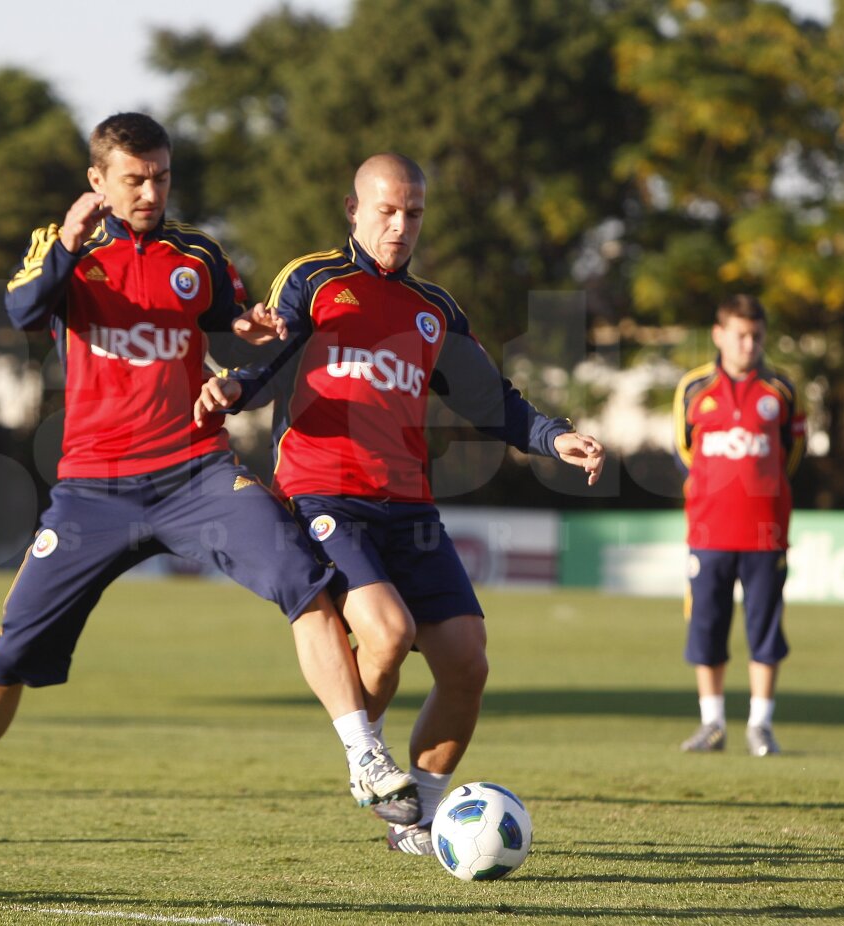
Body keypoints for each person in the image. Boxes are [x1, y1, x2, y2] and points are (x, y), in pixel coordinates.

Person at [0, 115, 418, 846]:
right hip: (93, 491)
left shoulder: (196, 252)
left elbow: (230, 316)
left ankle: (363, 755)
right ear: (97, 180)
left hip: (196, 473)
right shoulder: (65, 247)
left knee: (304, 579)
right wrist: (68, 242)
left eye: (160, 177)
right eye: (133, 179)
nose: (150, 191)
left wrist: (249, 326)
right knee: (10, 654)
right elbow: (22, 309)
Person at [194, 153, 606, 855]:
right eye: (386, 210)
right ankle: (364, 754)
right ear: (354, 210)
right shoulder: (314, 280)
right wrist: (236, 388)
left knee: (467, 662)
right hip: (323, 493)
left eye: (413, 213)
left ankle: (418, 823)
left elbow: (492, 400)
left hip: (409, 507)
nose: (400, 225)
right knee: (386, 634)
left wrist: (552, 436)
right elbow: (271, 354)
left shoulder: (434, 309)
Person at [673, 294, 805, 757]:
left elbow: (793, 452)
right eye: (740, 335)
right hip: (709, 531)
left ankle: (760, 724)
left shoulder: (781, 389)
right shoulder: (694, 387)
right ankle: (711, 723)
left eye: (756, 336)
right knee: (707, 626)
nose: (749, 344)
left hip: (765, 532)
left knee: (764, 627)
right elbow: (684, 449)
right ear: (719, 334)